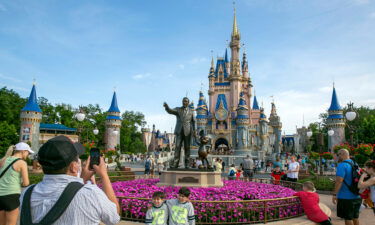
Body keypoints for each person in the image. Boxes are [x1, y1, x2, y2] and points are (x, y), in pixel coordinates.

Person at [19, 135, 120, 225]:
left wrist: (82, 179)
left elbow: (69, 192)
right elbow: (114, 217)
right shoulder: (91, 194)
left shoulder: (26, 194)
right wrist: (104, 176)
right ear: (73, 166)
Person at [0, 143, 33, 225]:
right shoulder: (22, 163)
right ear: (23, 151)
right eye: (28, 152)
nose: (28, 155)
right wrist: (20, 183)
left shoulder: (2, 160)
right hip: (11, 196)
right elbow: (26, 183)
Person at [164, 98, 196, 169]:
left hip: (188, 131)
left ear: (188, 103)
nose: (185, 102)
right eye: (184, 101)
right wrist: (167, 107)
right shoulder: (178, 109)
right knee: (177, 147)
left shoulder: (191, 111)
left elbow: (193, 122)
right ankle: (175, 164)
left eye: (186, 101)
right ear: (182, 102)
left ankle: (187, 164)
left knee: (187, 147)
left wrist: (194, 131)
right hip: (179, 131)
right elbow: (170, 111)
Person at [332, 149, 361, 225]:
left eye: (338, 155)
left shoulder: (342, 165)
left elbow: (339, 181)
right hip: (357, 195)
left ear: (342, 154)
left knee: (348, 218)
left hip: (346, 197)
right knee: (355, 217)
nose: (337, 157)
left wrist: (335, 194)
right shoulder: (355, 163)